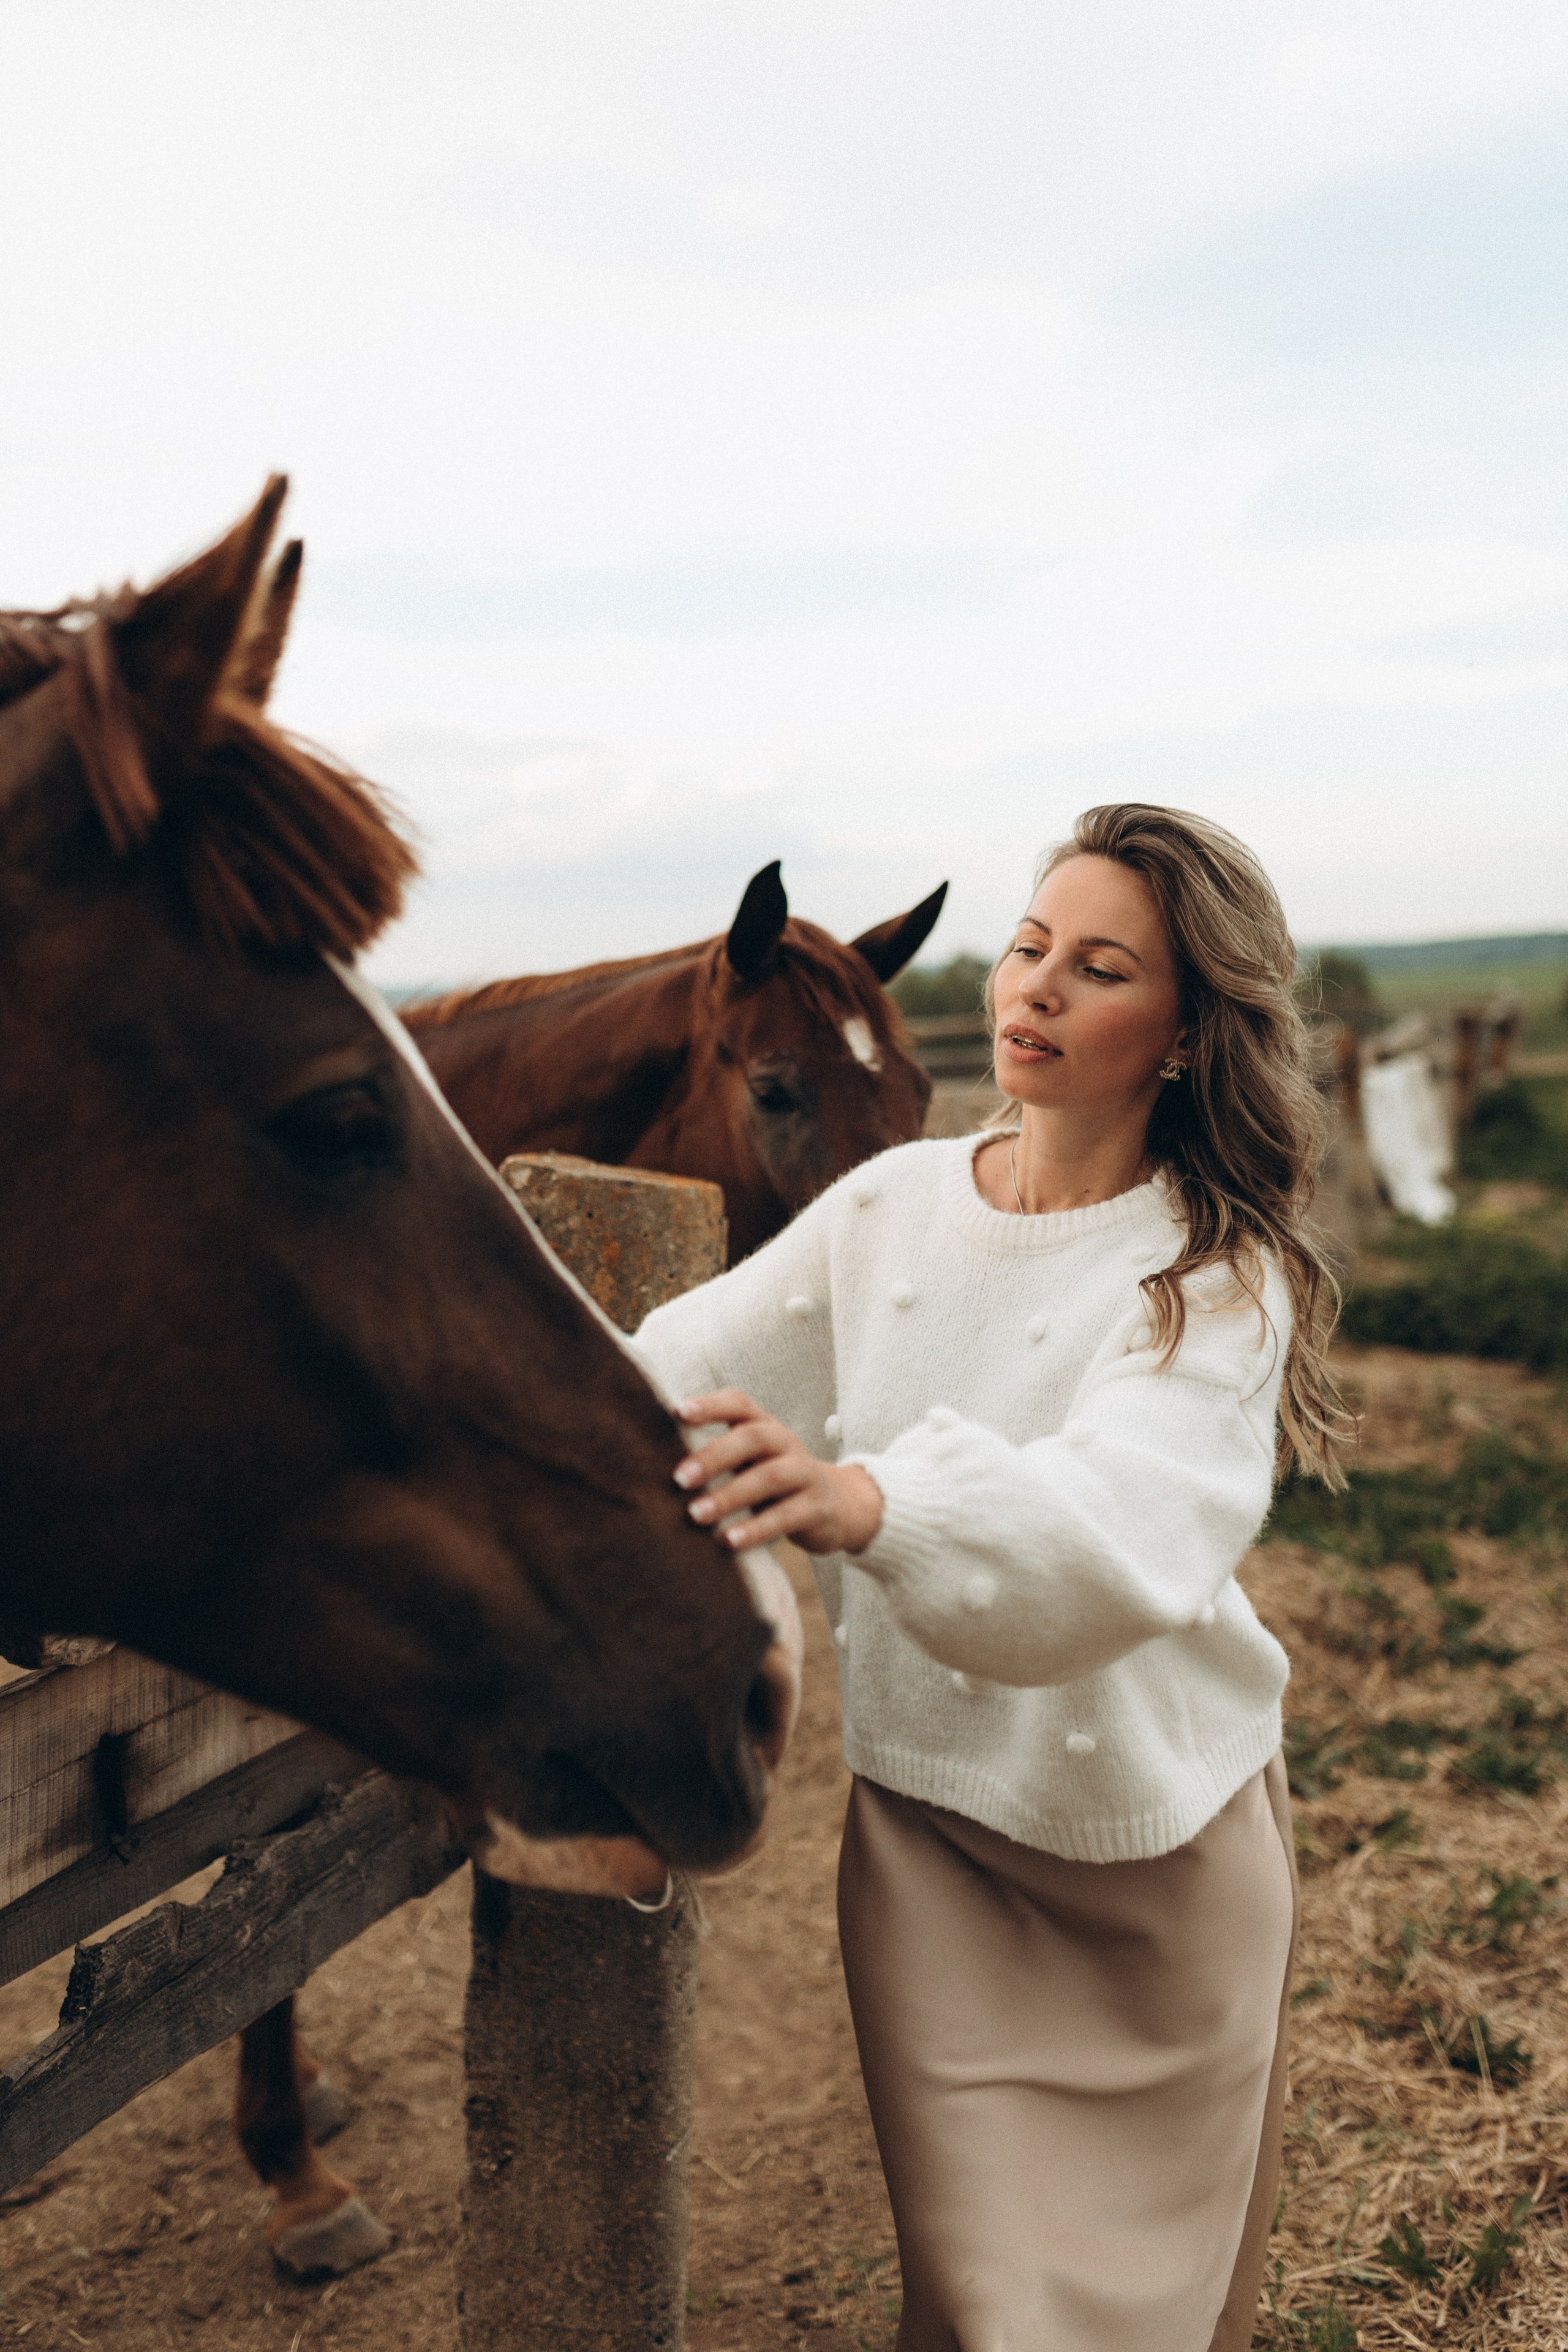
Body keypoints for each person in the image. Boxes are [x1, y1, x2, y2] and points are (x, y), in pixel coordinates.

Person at [634, 804, 1348, 2352]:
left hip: (1164, 1864)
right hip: (934, 1853)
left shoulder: (1213, 1278)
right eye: (1030, 947)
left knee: (1139, 2319)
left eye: (1097, 970)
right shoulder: (889, 1205)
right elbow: (665, 1369)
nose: (1033, 988)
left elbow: (1114, 1533)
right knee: (983, 2308)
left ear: (1179, 1035)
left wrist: (864, 1497)